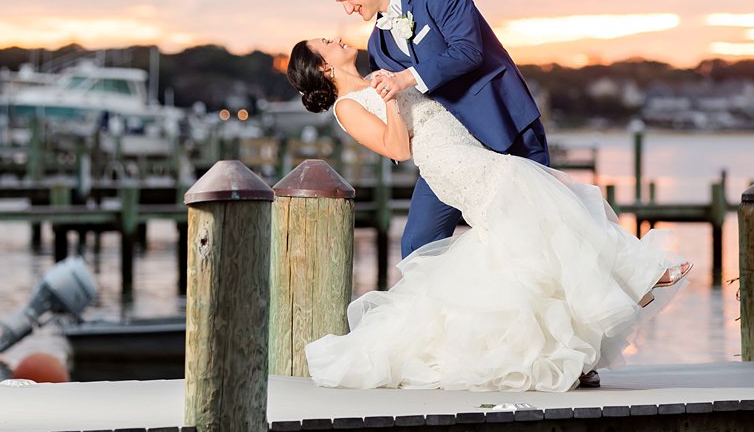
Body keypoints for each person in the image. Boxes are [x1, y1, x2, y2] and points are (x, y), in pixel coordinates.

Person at [287, 36, 691, 393]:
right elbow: (397, 149)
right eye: (325, 43)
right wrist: (392, 99)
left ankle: (570, 336)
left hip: (469, 151)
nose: (336, 38)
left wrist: (396, 83)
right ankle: (635, 276)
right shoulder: (348, 106)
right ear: (323, 66)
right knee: (548, 197)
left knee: (529, 237)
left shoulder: (380, 72)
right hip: (451, 164)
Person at [318, 0, 547, 259]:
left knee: (538, 232)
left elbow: (469, 51)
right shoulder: (377, 47)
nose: (348, 10)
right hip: (448, 152)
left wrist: (407, 77)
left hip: (504, 127)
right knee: (417, 246)